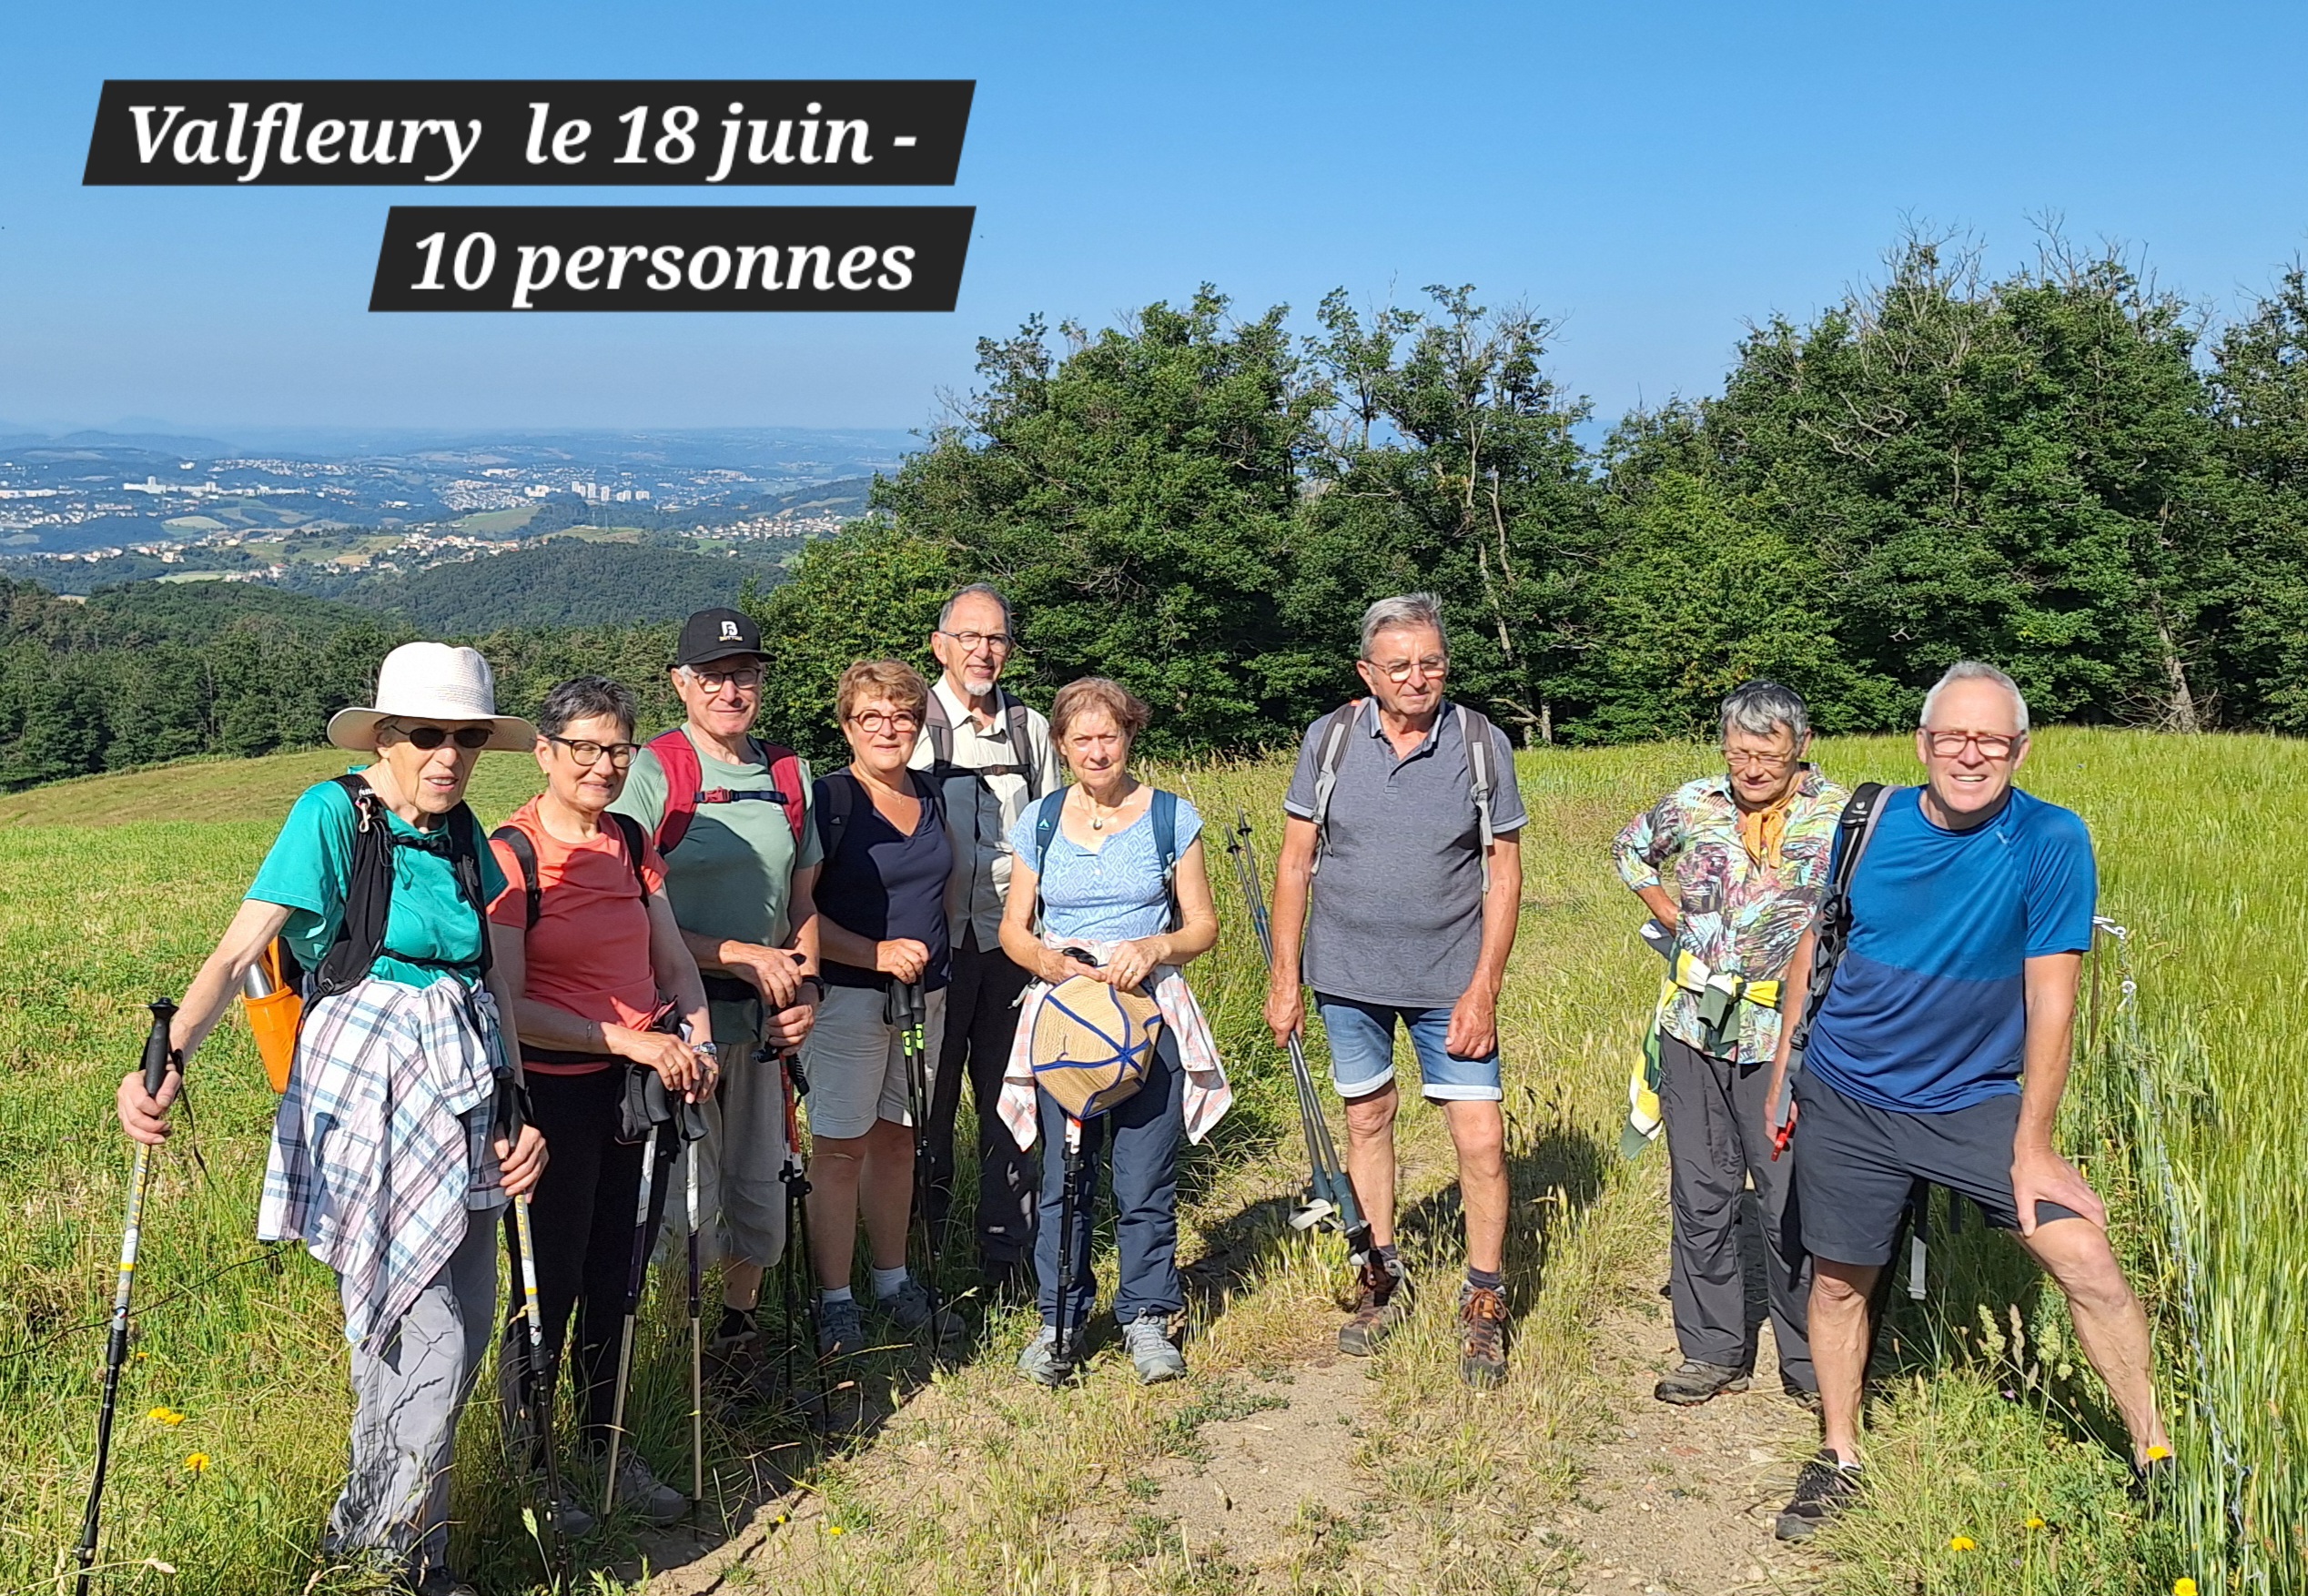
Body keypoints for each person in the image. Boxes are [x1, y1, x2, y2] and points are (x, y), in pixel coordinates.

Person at [115, 641, 547, 1596]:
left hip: (469, 1093)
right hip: (372, 1100)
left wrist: (517, 1102)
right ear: (386, 737)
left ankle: (389, 1538)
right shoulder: (332, 813)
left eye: (467, 737)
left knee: (463, 1326)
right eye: (428, 735)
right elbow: (240, 953)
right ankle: (395, 1559)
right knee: (416, 1329)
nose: (449, 754)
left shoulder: (463, 831)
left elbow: (490, 980)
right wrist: (168, 1057)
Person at [1766, 662, 2171, 1540]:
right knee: (1839, 1283)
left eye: (1992, 739)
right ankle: (1840, 1456)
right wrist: (1781, 1075)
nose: (1971, 754)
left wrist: (2035, 1143)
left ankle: (2157, 1455)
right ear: (1923, 743)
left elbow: (2052, 1000)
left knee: (2087, 1258)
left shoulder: (2052, 840)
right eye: (1954, 735)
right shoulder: (1867, 822)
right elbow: (1816, 945)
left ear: (2019, 750)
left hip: (1973, 1100)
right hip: (1846, 1091)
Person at [1263, 592, 1528, 1389]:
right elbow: (1294, 861)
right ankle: (1381, 1278)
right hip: (1347, 975)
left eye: (1432, 662)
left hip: (1450, 976)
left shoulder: (1482, 744)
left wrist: (1484, 987)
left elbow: (1505, 875)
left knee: (1479, 1137)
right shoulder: (1332, 738)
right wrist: (1284, 979)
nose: (1418, 678)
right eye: (1401, 665)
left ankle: (1485, 1298)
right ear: (1367, 673)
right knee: (1368, 1118)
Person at [486, 676, 715, 1528]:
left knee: (618, 1276)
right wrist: (628, 1040)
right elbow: (510, 1000)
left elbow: (674, 959)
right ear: (545, 753)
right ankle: (535, 1466)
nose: (602, 765)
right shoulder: (511, 855)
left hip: (638, 1094)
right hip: (553, 1095)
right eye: (583, 748)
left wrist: (695, 1036)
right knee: (551, 1283)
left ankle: (609, 1447)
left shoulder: (628, 840)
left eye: (617, 749)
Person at [1612, 681, 1845, 1409]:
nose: (1750, 766)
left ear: (1800, 746)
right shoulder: (1693, 803)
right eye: (1738, 750)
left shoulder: (1841, 816)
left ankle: (1811, 1363)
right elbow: (1629, 852)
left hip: (1789, 1038)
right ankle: (1712, 1350)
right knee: (1702, 1190)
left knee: (1791, 1198)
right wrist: (1674, 918)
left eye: (1767, 751)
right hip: (1695, 1028)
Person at [610, 609, 824, 1386]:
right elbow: (627, 903)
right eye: (713, 676)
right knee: (679, 1206)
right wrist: (737, 954)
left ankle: (736, 1338)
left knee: (758, 1190)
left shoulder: (788, 775)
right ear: (681, 683)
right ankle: (672, 1357)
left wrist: (811, 990)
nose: (731, 690)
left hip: (763, 1028)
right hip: (676, 1029)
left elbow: (804, 904)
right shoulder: (653, 773)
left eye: (745, 675)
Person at [997, 677, 1230, 1386]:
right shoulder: (1037, 821)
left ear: (1130, 736)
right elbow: (1013, 927)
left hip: (1147, 1015)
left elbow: (1203, 925)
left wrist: (1156, 949)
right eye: (1081, 739)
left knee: (1144, 1175)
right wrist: (1047, 961)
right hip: (1066, 1023)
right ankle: (1057, 1320)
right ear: (1062, 746)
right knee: (1065, 1179)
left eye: (1110, 735)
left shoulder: (1170, 817)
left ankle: (1147, 1316)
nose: (1097, 751)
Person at [804, 659, 961, 1354]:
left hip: (926, 999)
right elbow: (799, 910)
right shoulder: (829, 801)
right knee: (840, 1148)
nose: (888, 728)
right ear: (847, 726)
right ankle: (834, 1299)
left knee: (900, 1140)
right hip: (848, 1001)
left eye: (902, 715)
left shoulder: (932, 796)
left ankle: (893, 1280)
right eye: (871, 716)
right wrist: (873, 953)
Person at [908, 583, 1061, 1297]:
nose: (984, 651)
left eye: (996, 638)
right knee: (926, 1109)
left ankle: (1008, 1259)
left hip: (1012, 947)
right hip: (933, 951)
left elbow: (1055, 836)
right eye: (969, 637)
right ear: (940, 646)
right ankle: (921, 1260)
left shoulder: (1032, 731)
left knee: (1011, 1104)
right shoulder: (911, 724)